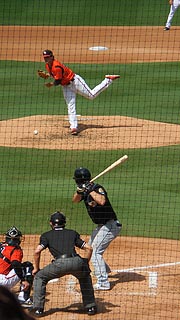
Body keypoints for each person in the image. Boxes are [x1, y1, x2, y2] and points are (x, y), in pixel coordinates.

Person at [30, 211, 97, 317]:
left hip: (59, 264)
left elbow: (37, 252)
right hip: (76, 261)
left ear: (51, 223)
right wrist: (85, 264)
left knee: (40, 277)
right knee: (84, 276)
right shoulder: (72, 233)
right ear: (64, 223)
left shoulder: (46, 235)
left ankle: (38, 309)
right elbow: (89, 248)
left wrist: (36, 269)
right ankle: (91, 307)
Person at [38, 49, 120, 135]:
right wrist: (47, 75)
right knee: (70, 105)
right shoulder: (48, 66)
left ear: (52, 56)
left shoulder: (56, 66)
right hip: (66, 86)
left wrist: (50, 84)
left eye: (47, 57)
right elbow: (57, 76)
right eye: (44, 58)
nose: (46, 59)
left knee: (91, 95)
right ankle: (73, 127)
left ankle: (108, 80)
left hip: (75, 82)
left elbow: (57, 80)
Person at [72, 167, 122, 291]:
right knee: (89, 247)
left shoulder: (96, 188)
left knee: (95, 252)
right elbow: (75, 201)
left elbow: (102, 201)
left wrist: (89, 190)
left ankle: (103, 282)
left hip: (110, 225)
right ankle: (105, 270)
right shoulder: (84, 189)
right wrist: (79, 191)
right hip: (102, 226)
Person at [0, 226, 34, 308]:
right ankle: (24, 299)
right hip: (2, 282)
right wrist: (23, 280)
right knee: (27, 266)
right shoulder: (16, 250)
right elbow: (15, 264)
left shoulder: (1, 245)